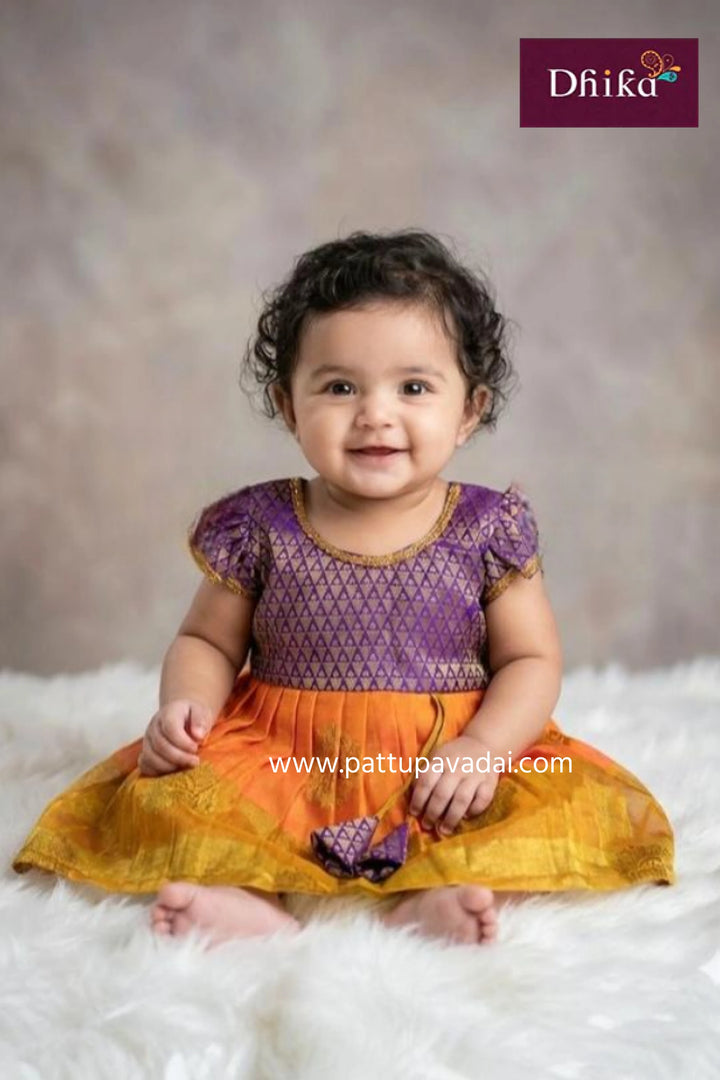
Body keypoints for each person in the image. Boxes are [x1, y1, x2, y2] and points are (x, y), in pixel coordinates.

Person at [12, 229, 675, 948]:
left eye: (414, 387)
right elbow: (205, 638)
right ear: (289, 406)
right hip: (285, 749)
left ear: (469, 410)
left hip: (439, 754)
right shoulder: (260, 524)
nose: (375, 414)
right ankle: (240, 903)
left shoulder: (488, 528)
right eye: (339, 387)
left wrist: (484, 747)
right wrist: (187, 711)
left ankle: (435, 900)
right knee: (178, 799)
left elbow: (531, 660)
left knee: (542, 809)